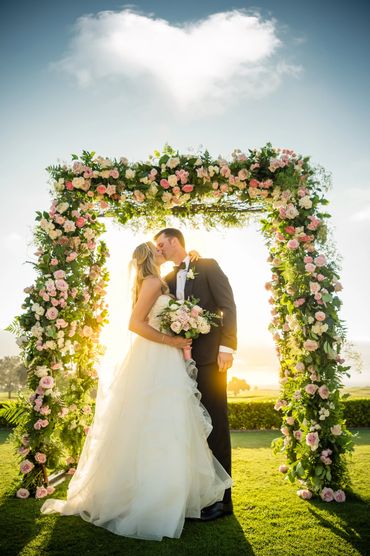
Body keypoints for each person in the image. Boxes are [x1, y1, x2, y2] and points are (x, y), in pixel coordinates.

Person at [40, 241, 232, 541]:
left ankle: (173, 493)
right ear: (152, 256)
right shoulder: (155, 281)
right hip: (157, 357)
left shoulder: (164, 279)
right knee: (158, 424)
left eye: (163, 244)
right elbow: (134, 323)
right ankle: (153, 497)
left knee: (166, 426)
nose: (161, 250)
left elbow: (210, 304)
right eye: (157, 248)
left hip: (170, 359)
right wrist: (172, 342)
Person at [154, 228, 237, 521]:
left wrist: (227, 347)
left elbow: (228, 305)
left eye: (161, 244)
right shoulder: (163, 280)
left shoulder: (207, 266)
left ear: (175, 241)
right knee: (188, 428)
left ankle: (223, 500)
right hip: (177, 365)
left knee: (216, 425)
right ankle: (197, 493)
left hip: (211, 361)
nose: (159, 250)